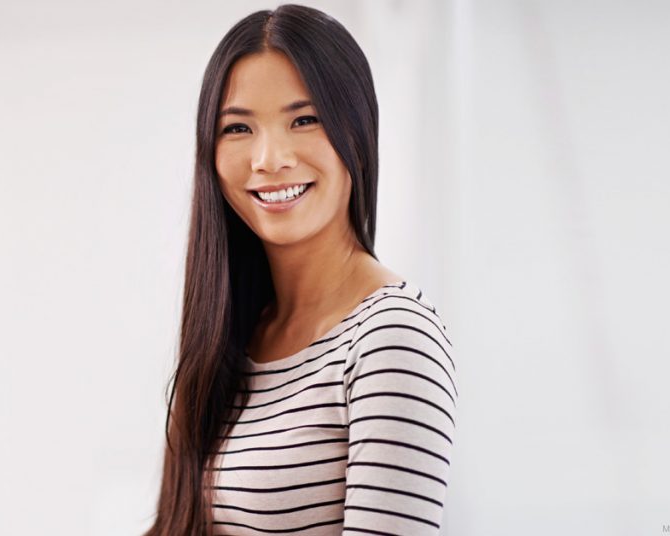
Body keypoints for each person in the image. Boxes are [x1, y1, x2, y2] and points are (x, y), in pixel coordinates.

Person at [145, 5, 458, 535]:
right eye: (239, 127)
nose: (269, 158)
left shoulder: (392, 337)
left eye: (304, 120)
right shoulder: (234, 332)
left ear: (356, 132)